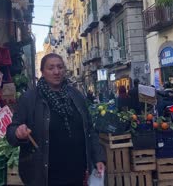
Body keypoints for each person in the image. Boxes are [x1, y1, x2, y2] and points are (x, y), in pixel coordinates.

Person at [6, 53, 106, 186]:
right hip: (45, 176)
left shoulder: (76, 96)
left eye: (60, 67)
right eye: (51, 68)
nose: (56, 72)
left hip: (77, 173)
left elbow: (90, 130)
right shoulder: (29, 99)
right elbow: (11, 132)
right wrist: (18, 133)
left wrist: (98, 158)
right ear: (42, 71)